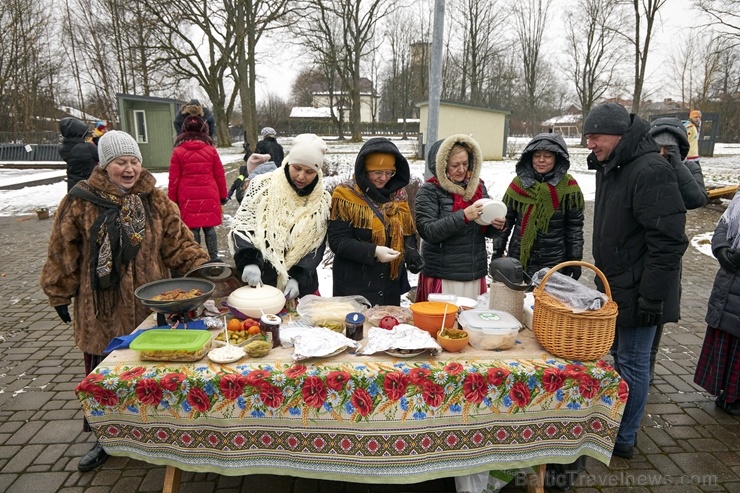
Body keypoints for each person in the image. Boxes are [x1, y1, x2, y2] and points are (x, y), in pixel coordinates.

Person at [40, 130, 212, 472]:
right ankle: (104, 438)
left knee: (152, 369)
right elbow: (63, 250)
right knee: (104, 373)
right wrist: (58, 291)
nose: (129, 169)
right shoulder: (80, 200)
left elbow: (178, 243)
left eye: (134, 161)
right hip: (102, 306)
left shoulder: (155, 200)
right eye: (121, 162)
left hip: (152, 303)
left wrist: (205, 268)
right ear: (106, 165)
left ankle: (156, 427)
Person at [584, 103, 688, 459]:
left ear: (617, 134)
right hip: (618, 285)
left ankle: (623, 437)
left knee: (633, 361)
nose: (590, 144)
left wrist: (652, 299)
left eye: (595, 137)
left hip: (644, 290)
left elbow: (669, 241)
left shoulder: (650, 170)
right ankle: (615, 425)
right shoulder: (613, 166)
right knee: (621, 357)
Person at [229, 133, 330, 301]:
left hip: (300, 289)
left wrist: (298, 277)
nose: (301, 176)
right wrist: (249, 260)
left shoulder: (322, 202)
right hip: (260, 282)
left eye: (309, 171)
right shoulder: (262, 186)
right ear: (289, 161)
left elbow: (316, 245)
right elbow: (243, 226)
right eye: (297, 168)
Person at [648, 117, 708, 382]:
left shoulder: (688, 169)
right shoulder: (644, 168)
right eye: (658, 148)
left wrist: (676, 164)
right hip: (639, 247)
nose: (662, 154)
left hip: (666, 251)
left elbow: (696, 198)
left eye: (668, 149)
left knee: (658, 306)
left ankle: (648, 361)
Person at [328, 138, 423, 306]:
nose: (384, 178)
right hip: (354, 286)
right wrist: (374, 251)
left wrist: (412, 254)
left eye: (389, 172)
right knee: (356, 331)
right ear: (364, 170)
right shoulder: (345, 195)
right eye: (377, 173)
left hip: (388, 286)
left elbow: (406, 233)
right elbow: (338, 242)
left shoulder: (398, 195)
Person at [414, 134, 506, 302]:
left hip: (472, 272)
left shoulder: (477, 188)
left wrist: (496, 225)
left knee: (470, 323)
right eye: (455, 165)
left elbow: (483, 229)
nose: (462, 169)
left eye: (465, 164)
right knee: (443, 323)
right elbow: (428, 231)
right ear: (442, 166)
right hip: (443, 274)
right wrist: (463, 216)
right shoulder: (429, 191)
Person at [492, 133, 584, 278]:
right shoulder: (518, 185)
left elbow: (574, 228)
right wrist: (497, 251)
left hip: (555, 262)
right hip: (519, 259)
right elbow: (505, 221)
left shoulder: (569, 188)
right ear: (530, 158)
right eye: (537, 156)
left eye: (547, 156)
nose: (541, 160)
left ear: (557, 158)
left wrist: (575, 260)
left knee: (548, 301)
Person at [694, 190, 740, 416]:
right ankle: (727, 393)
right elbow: (723, 225)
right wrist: (721, 249)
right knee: (726, 338)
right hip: (729, 281)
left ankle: (736, 397)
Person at [168, 115, 228, 260]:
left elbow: (174, 179)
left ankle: (197, 258)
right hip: (209, 192)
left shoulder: (178, 151)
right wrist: (223, 196)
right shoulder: (210, 150)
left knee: (193, 229)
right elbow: (219, 175)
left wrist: (172, 200)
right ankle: (214, 257)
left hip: (187, 195)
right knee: (209, 228)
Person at [58, 117, 99, 192]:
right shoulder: (88, 147)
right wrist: (96, 139)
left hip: (74, 188)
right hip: (89, 187)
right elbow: (102, 155)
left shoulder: (63, 148)